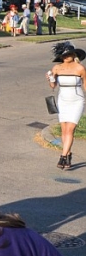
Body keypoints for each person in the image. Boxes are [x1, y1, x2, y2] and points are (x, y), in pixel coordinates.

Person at [47, 41, 86, 170]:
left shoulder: (80, 68)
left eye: (68, 54)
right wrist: (50, 79)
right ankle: (68, 155)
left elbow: (85, 85)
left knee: (70, 129)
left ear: (74, 54)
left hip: (77, 100)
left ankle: (63, 156)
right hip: (63, 100)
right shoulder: (57, 68)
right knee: (64, 130)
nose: (66, 57)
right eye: (63, 55)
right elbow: (53, 87)